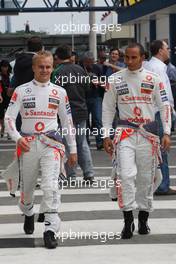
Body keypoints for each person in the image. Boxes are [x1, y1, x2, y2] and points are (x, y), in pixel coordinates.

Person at [4, 51, 77, 249]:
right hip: (27, 145)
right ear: (34, 68)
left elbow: (68, 121)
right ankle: (28, 212)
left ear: (52, 67)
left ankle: (50, 229)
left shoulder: (60, 92)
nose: (44, 70)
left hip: (51, 144)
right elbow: (9, 118)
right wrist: (18, 138)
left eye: (48, 66)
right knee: (27, 191)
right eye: (41, 66)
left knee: (50, 186)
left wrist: (73, 149)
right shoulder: (21, 90)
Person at [102, 43, 171, 239]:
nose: (129, 61)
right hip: (124, 134)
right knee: (125, 175)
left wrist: (166, 132)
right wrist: (106, 135)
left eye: (134, 57)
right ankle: (127, 221)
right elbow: (107, 108)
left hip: (149, 135)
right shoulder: (115, 79)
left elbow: (164, 105)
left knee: (146, 178)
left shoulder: (154, 79)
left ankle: (143, 219)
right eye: (126, 57)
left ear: (143, 58)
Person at [53, 45, 94, 183]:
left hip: (64, 113)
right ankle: (88, 173)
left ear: (57, 57)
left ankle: (71, 175)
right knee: (82, 143)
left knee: (67, 143)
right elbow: (88, 89)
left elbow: (53, 92)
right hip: (81, 111)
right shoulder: (80, 69)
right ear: (70, 56)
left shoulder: (57, 72)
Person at [144, 40, 176, 195]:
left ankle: (156, 183)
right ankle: (163, 185)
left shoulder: (150, 66)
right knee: (163, 148)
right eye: (167, 48)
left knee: (154, 149)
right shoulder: (158, 68)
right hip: (159, 112)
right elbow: (163, 96)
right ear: (160, 51)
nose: (169, 50)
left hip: (151, 112)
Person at [0, 60, 13, 138]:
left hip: (9, 97)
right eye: (3, 67)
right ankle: (2, 129)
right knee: (1, 115)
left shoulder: (11, 76)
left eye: (6, 67)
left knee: (9, 115)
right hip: (1, 97)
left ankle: (9, 132)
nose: (4, 68)